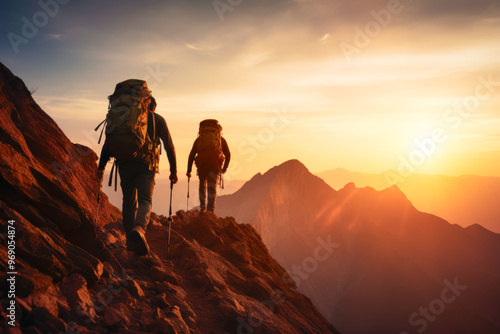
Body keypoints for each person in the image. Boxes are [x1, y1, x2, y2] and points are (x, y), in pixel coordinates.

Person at [97, 97, 177, 256]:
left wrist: (101, 167)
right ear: (153, 106)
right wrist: (173, 171)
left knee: (128, 202)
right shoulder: (157, 119)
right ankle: (139, 229)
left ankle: (130, 241)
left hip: (124, 164)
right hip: (146, 165)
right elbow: (169, 145)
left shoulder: (122, 118)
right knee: (145, 200)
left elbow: (109, 143)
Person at [187, 119, 230, 213]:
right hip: (215, 165)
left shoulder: (199, 140)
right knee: (212, 187)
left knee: (202, 184)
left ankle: (202, 208)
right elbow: (228, 154)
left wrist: (189, 170)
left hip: (202, 165)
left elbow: (191, 155)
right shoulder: (220, 140)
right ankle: (210, 211)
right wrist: (224, 169)